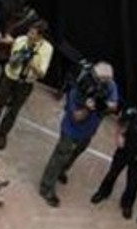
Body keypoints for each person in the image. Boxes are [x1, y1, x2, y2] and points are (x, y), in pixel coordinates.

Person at [38, 62, 120, 207]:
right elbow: (77, 117)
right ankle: (46, 188)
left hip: (88, 132)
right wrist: (89, 108)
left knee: (75, 153)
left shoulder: (109, 84)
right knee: (60, 156)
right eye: (104, 80)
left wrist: (104, 105)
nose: (108, 83)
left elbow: (114, 105)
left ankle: (62, 170)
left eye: (109, 80)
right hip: (71, 130)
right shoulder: (76, 91)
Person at [0, 21, 52, 150]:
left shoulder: (47, 49)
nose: (28, 35)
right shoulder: (20, 40)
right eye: (29, 31)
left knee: (13, 110)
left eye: (32, 33)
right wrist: (18, 57)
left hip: (26, 83)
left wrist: (31, 63)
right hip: (10, 77)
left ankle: (3, 134)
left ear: (40, 36)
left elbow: (41, 73)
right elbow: (12, 61)